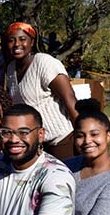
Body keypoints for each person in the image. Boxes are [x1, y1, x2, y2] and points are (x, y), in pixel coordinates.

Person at [5, 22, 78, 160]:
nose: (16, 44)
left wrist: (81, 135)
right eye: (11, 40)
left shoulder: (44, 63)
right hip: (35, 145)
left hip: (61, 141)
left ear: (32, 42)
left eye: (22, 39)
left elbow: (69, 99)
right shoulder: (10, 69)